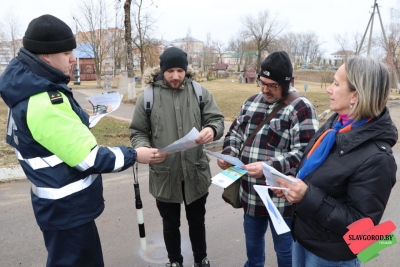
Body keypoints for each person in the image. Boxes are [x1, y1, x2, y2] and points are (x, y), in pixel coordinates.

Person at [0, 14, 157, 267]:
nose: (74, 58)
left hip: (58, 207)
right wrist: (135, 155)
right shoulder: (45, 99)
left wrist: (81, 119)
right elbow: (89, 158)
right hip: (68, 210)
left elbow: (48, 138)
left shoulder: (27, 90)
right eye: (66, 52)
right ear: (45, 56)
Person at [274, 56, 397, 267]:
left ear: (355, 96)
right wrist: (293, 179)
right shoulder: (335, 124)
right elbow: (314, 169)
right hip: (303, 238)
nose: (328, 89)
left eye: (336, 83)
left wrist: (306, 195)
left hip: (331, 257)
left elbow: (363, 228)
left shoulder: (378, 158)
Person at [217, 51, 319, 267]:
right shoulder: (252, 102)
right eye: (262, 83)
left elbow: (306, 153)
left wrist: (267, 167)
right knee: (253, 255)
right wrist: (229, 153)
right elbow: (235, 133)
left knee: (286, 255)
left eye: (272, 85)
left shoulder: (301, 108)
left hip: (281, 202)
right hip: (250, 196)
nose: (265, 89)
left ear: (287, 82)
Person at [129, 47, 224, 267]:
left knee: (197, 221)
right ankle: (175, 261)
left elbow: (217, 120)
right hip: (165, 173)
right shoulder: (149, 97)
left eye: (180, 70)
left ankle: (201, 260)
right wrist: (145, 148)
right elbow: (138, 132)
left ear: (185, 69)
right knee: (170, 223)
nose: (175, 76)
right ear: (162, 70)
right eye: (170, 70)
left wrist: (212, 129)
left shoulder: (200, 92)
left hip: (195, 171)